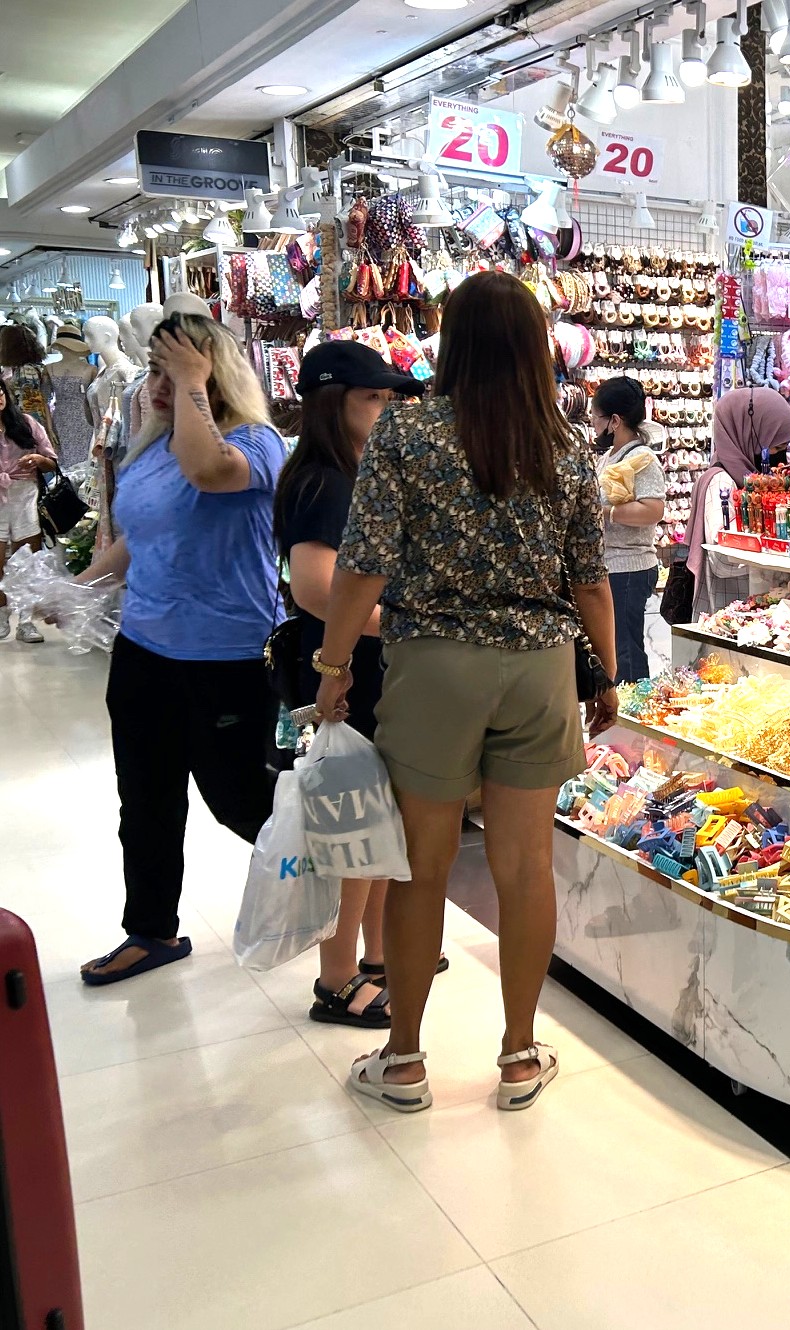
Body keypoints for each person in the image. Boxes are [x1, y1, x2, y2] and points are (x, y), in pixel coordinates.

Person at [314, 271, 617, 1113]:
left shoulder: (406, 432)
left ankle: (404, 1059)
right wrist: (607, 670)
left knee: (420, 867)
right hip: (540, 666)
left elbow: (363, 564)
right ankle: (519, 1055)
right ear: (533, 348)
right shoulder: (565, 445)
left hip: (435, 666)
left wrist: (333, 669)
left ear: (451, 343)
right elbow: (590, 578)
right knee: (526, 868)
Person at [76, 313, 284, 984]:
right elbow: (139, 538)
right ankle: (151, 930)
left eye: (177, 372)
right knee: (145, 799)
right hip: (143, 651)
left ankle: (353, 881)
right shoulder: (152, 448)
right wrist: (78, 589)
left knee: (241, 801)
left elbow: (209, 472)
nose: (159, 385)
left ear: (215, 375)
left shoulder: (257, 442)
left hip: (227, 657)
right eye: (157, 372)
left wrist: (192, 381)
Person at [275, 342, 428, 1027]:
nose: (386, 410)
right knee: (357, 831)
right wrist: (402, 625)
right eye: (373, 398)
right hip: (346, 673)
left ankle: (376, 956)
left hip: (362, 668)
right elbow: (315, 588)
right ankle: (337, 980)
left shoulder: (353, 472)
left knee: (376, 821)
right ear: (332, 403)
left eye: (391, 399)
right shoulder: (324, 483)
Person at [683, 385, 790, 619]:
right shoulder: (721, 482)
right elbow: (721, 560)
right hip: (729, 614)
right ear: (749, 435)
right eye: (776, 448)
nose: (780, 458)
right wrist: (777, 558)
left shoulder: (750, 478)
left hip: (756, 611)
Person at [591, 376, 667, 682]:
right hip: (612, 565)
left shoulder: (642, 458)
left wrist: (606, 513)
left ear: (614, 421)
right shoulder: (611, 456)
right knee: (614, 648)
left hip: (629, 567)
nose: (593, 423)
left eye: (596, 417)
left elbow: (653, 510)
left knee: (626, 652)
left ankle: (637, 707)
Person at [0, 380, 57, 643]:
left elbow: (51, 462)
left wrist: (38, 459)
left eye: (1, 392)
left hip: (25, 494)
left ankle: (25, 622)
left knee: (27, 561)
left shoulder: (26, 423)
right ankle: (2, 616)